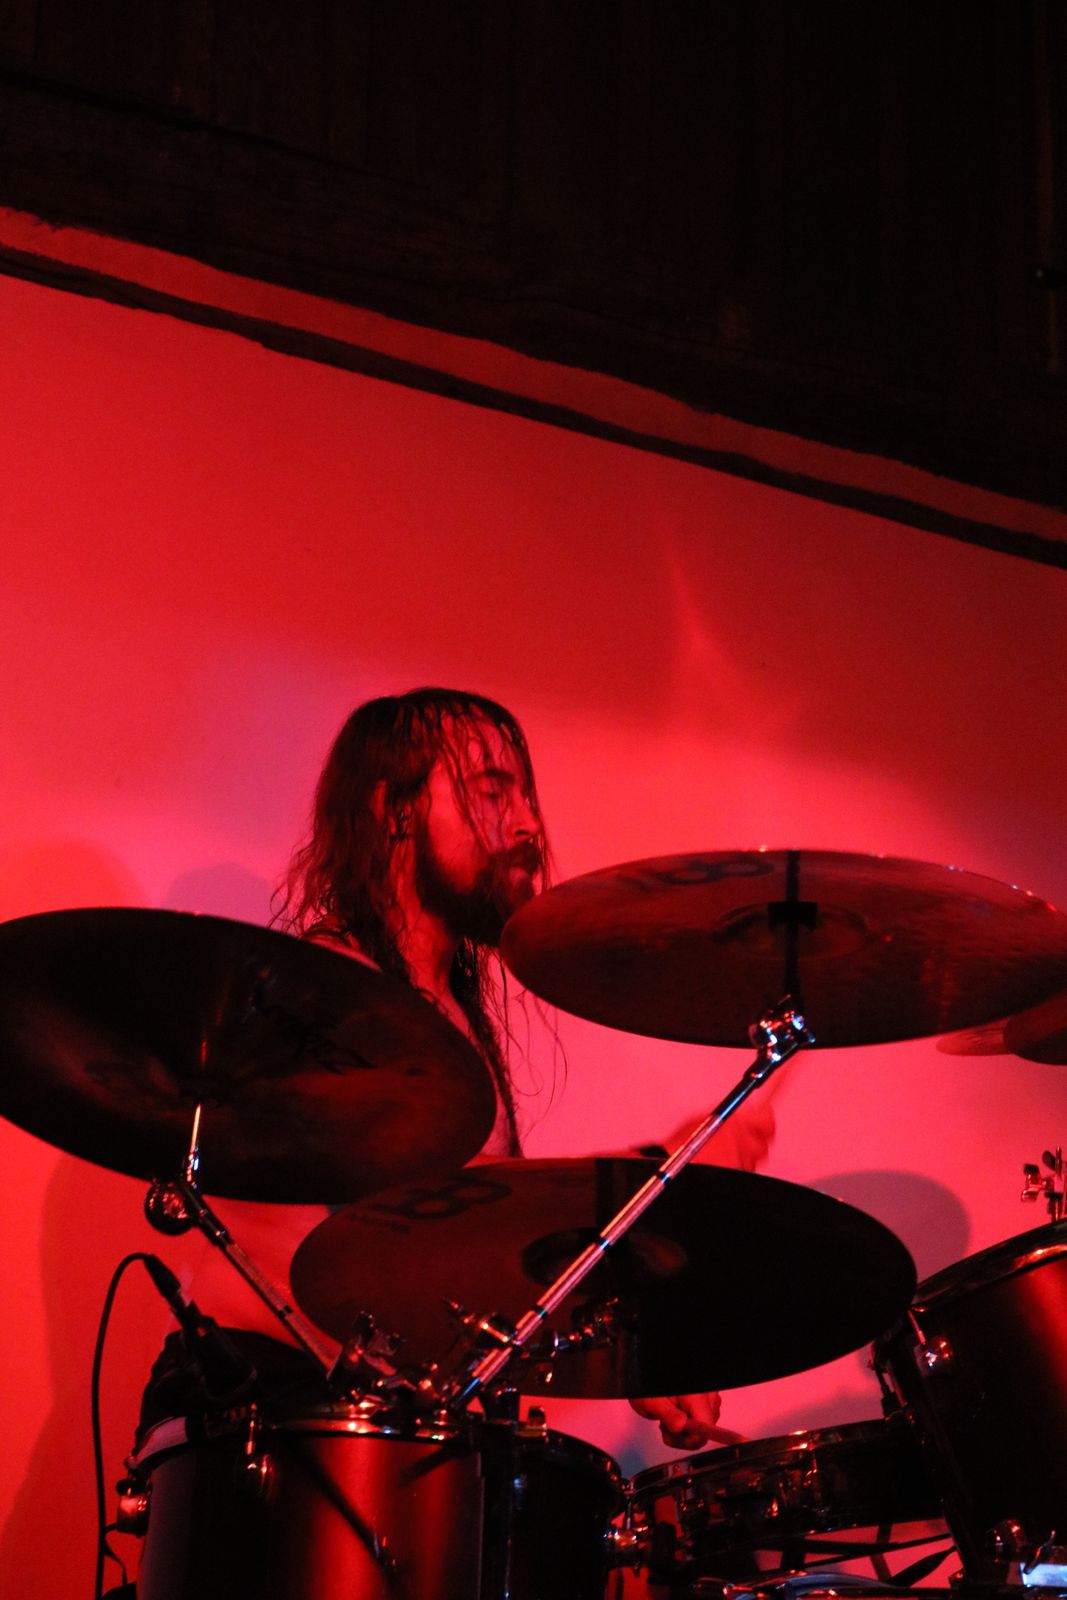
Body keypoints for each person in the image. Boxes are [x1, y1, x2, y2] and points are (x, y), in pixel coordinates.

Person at [153, 687, 773, 1449]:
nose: (528, 822)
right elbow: (319, 1261)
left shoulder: (448, 1016)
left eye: (526, 796)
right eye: (491, 791)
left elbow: (469, 1244)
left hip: (378, 1430)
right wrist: (653, 1171)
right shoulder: (316, 998)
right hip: (266, 1414)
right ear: (395, 810)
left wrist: (630, 1348)